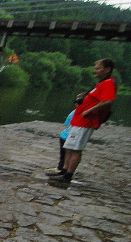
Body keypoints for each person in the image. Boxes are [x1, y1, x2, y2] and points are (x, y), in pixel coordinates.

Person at [49, 58, 116, 186]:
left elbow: (108, 101)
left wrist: (89, 110)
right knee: (69, 147)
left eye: (98, 68)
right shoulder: (101, 83)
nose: (95, 71)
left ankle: (68, 175)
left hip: (86, 121)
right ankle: (63, 171)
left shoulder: (108, 83)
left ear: (107, 70)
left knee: (76, 149)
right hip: (78, 120)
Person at [46, 99, 79, 177]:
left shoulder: (73, 113)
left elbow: (67, 123)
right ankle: (64, 168)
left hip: (65, 135)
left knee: (64, 154)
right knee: (68, 153)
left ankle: (62, 167)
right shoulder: (79, 113)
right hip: (70, 135)